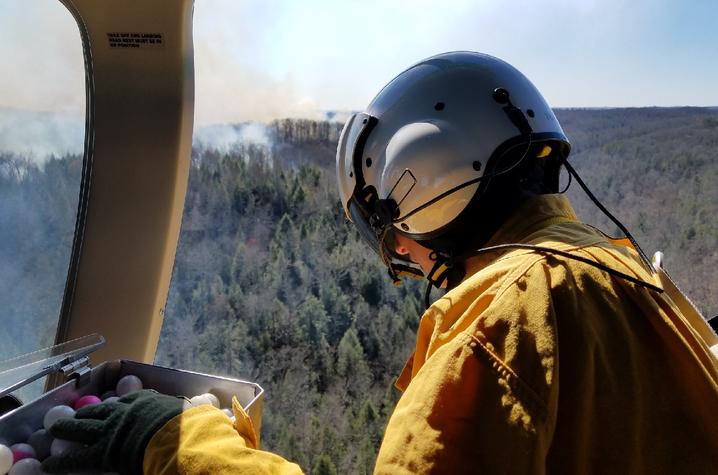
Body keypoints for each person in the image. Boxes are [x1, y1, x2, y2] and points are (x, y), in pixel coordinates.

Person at [43, 51, 718, 474]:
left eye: (394, 228)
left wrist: (179, 443)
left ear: (427, 175)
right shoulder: (622, 269)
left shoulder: (505, 318)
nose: (400, 251)